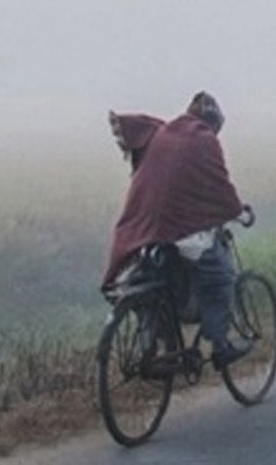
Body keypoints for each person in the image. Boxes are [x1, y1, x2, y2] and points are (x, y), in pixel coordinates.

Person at [103, 91, 254, 369]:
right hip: (180, 227)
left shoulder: (163, 133)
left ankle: (154, 344)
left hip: (146, 227)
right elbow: (219, 185)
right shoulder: (204, 140)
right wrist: (239, 213)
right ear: (213, 123)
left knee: (154, 282)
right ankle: (220, 346)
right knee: (222, 279)